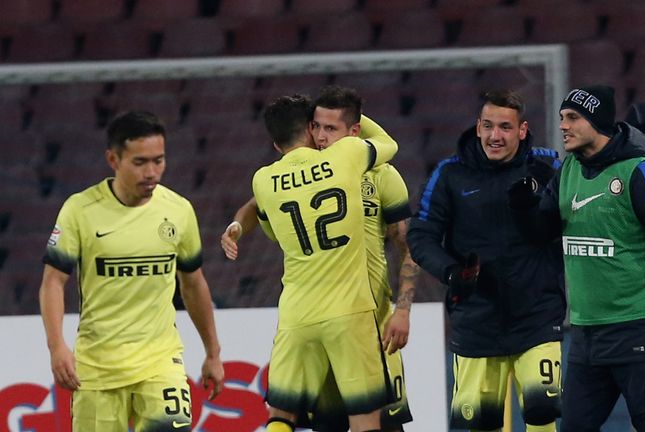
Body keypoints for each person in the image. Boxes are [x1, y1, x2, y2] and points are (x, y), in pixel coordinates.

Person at [508, 85, 645, 431]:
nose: (563, 125)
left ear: (598, 121)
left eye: (573, 117)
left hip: (642, 330)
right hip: (585, 335)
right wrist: (521, 206)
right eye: (562, 118)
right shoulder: (568, 171)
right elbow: (538, 235)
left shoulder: (642, 172)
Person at [221, 85, 418, 431]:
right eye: (318, 127)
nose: (324, 136)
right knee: (362, 417)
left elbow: (261, 213)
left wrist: (402, 309)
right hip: (351, 315)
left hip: (301, 313)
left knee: (281, 413)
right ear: (309, 129)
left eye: (331, 127)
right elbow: (389, 143)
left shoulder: (264, 179)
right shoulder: (350, 156)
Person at [38, 111, 225, 431]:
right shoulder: (80, 210)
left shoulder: (178, 210)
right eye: (140, 162)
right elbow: (53, 282)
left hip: (161, 363)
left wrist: (213, 352)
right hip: (97, 370)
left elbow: (193, 283)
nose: (152, 172)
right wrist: (57, 347)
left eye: (159, 160)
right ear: (113, 159)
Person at [407, 89, 566, 431]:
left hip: (537, 317)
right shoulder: (449, 174)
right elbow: (421, 236)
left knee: (542, 415)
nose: (496, 136)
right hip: (476, 321)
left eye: (506, 127)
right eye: (489, 126)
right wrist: (452, 273)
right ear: (478, 127)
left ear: (522, 130)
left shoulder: (549, 167)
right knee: (481, 425)